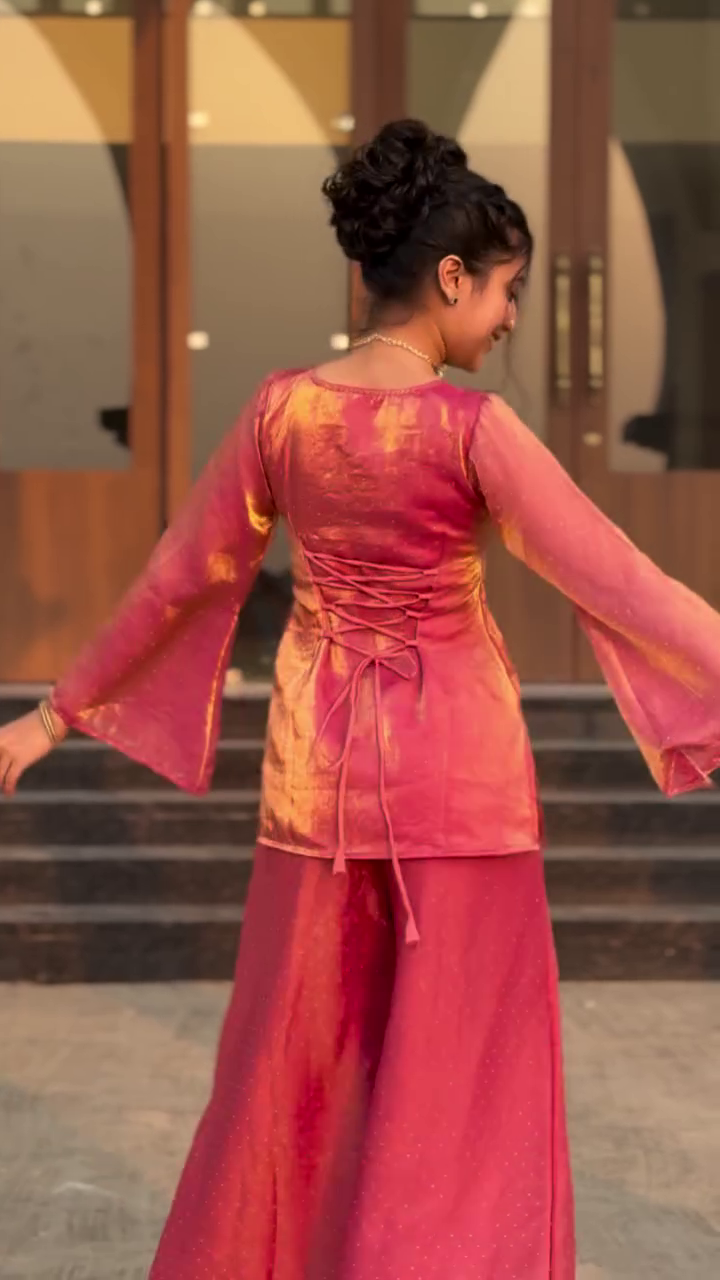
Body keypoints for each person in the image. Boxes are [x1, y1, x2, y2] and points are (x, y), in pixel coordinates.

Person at [2, 119, 720, 1280]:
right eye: (509, 291)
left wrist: (49, 718)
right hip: (464, 791)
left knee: (293, 1085)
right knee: (462, 1101)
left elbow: (179, 579)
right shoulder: (474, 428)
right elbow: (619, 579)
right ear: (452, 278)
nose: (511, 318)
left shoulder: (281, 412)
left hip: (319, 789)